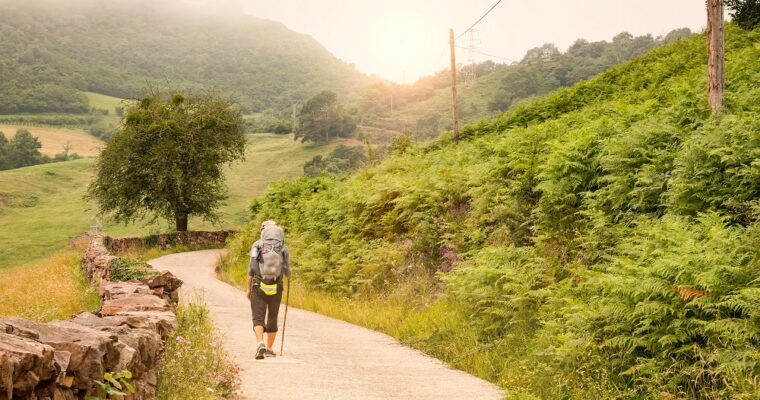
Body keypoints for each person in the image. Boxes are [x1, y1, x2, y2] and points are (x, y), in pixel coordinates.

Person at [246, 220, 292, 359]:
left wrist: (248, 289)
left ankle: (260, 343)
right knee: (273, 316)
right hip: (276, 286)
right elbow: (287, 271)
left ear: (263, 230)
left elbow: (252, 268)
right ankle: (270, 349)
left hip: (258, 285)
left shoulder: (256, 245)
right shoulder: (283, 247)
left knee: (258, 317)